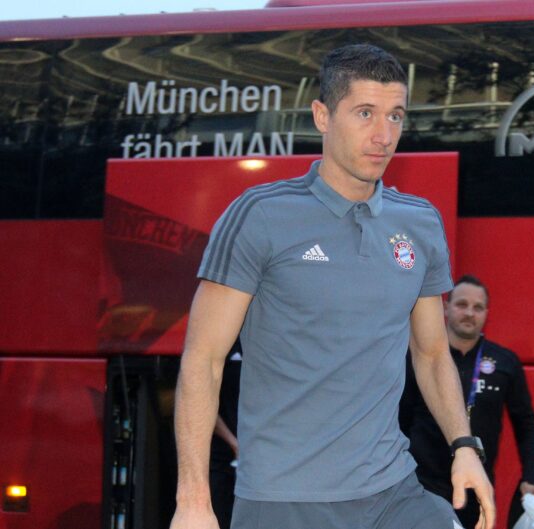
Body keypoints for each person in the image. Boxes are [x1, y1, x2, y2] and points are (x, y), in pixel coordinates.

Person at [169, 44, 495, 529]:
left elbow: (430, 355)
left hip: (393, 492)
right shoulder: (260, 215)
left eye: (395, 115)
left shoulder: (420, 222)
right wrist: (193, 500)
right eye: (365, 113)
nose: (383, 135)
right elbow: (204, 359)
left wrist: (463, 445)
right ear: (322, 116)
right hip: (285, 501)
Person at [401, 275, 534, 529]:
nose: (469, 313)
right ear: (446, 308)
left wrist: (531, 477)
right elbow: (401, 417)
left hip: (475, 485)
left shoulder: (505, 362)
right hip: (422, 483)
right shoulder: (421, 360)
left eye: (478, 307)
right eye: (461, 304)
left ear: (487, 313)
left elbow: (525, 425)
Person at [209, 339, 242, 529]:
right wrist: (233, 443)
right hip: (220, 459)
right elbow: (201, 402)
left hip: (255, 458)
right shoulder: (221, 344)